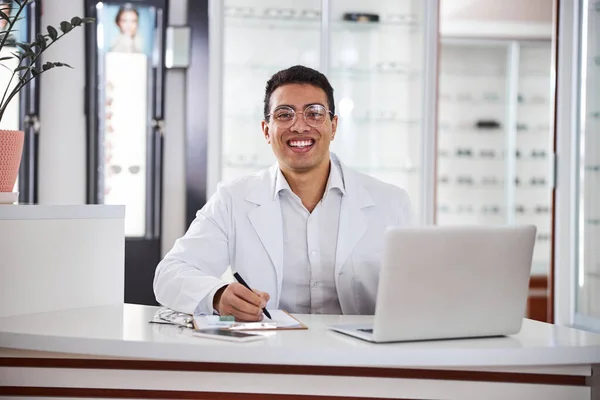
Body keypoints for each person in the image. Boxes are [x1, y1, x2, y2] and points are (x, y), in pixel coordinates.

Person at [154, 65, 413, 321]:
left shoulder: (390, 202)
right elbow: (169, 274)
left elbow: (417, 290)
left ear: (333, 126)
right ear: (267, 130)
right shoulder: (233, 200)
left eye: (314, 113)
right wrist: (218, 295)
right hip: (270, 353)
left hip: (360, 357)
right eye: (284, 114)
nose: (300, 126)